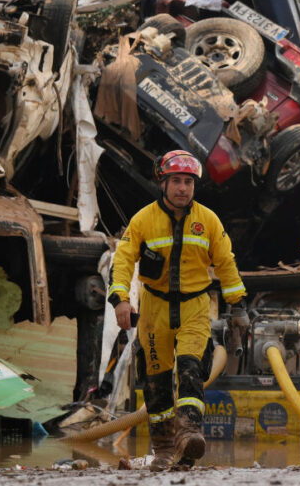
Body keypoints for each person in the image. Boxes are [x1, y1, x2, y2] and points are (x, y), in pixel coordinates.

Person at [107, 150, 246, 470]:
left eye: (188, 182)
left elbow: (227, 263)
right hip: (154, 311)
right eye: (176, 182)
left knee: (190, 368)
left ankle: (190, 434)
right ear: (163, 183)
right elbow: (123, 260)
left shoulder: (208, 220)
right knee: (154, 384)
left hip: (195, 308)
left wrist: (238, 307)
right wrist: (120, 299)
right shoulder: (143, 220)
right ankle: (165, 449)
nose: (183, 188)